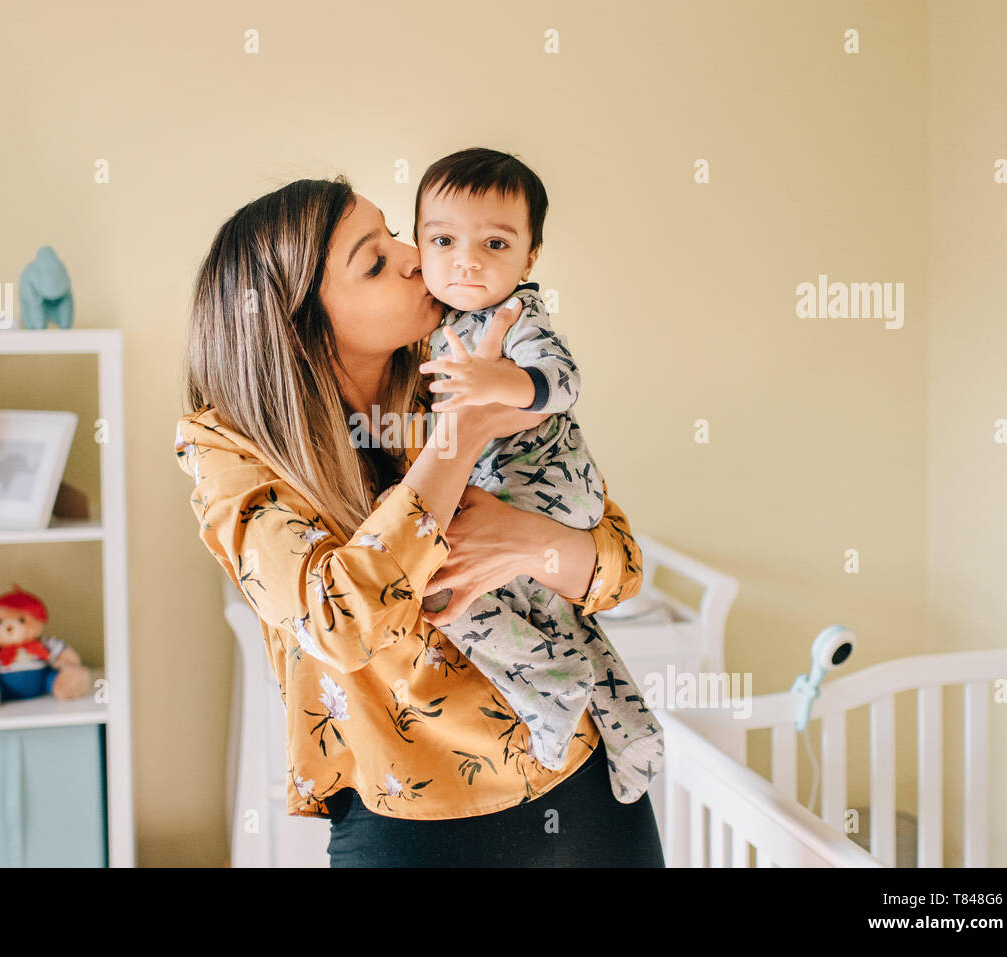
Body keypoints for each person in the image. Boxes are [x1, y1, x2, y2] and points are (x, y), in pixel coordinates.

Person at [174, 175, 664, 867]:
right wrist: (455, 441)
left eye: (395, 234)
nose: (414, 256)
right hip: (403, 822)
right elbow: (339, 619)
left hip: (583, 790)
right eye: (373, 261)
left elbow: (618, 565)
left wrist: (531, 543)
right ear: (298, 322)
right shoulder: (230, 449)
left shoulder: (463, 363)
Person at [407, 147, 664, 796]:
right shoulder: (440, 323)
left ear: (529, 258)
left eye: (494, 242)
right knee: (565, 619)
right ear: (419, 249)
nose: (467, 259)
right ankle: (634, 734)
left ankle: (548, 684)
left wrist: (505, 379)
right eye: (444, 240)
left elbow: (565, 381)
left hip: (542, 489)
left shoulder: (515, 316)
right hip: (539, 500)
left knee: (443, 592)